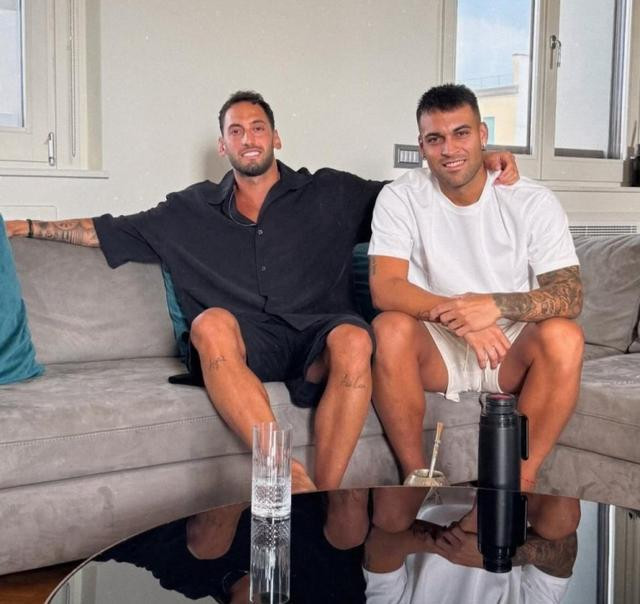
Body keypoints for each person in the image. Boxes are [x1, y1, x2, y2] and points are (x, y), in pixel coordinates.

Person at [5, 90, 518, 492]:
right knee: (209, 323)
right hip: (247, 343)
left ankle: (322, 496)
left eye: (258, 128)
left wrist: (478, 161)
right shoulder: (186, 210)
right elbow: (105, 229)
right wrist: (23, 226)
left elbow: (418, 195)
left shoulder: (332, 192)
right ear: (223, 146)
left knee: (355, 338)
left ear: (276, 138)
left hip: (319, 336)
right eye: (236, 131)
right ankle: (286, 474)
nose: (248, 138)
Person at [368, 83, 583, 526]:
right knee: (389, 327)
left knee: (565, 336)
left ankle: (518, 482)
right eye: (435, 139)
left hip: (508, 345)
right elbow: (385, 288)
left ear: (483, 135)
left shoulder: (531, 200)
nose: (449, 149)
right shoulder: (401, 195)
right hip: (438, 345)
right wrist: (462, 317)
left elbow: (571, 294)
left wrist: (494, 305)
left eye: (461, 133)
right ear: (421, 146)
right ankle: (418, 476)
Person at [363, 489, 579, 604]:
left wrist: (447, 541)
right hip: (509, 493)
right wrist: (496, 556)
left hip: (431, 492)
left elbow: (380, 543)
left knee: (390, 515)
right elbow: (565, 546)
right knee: (562, 520)